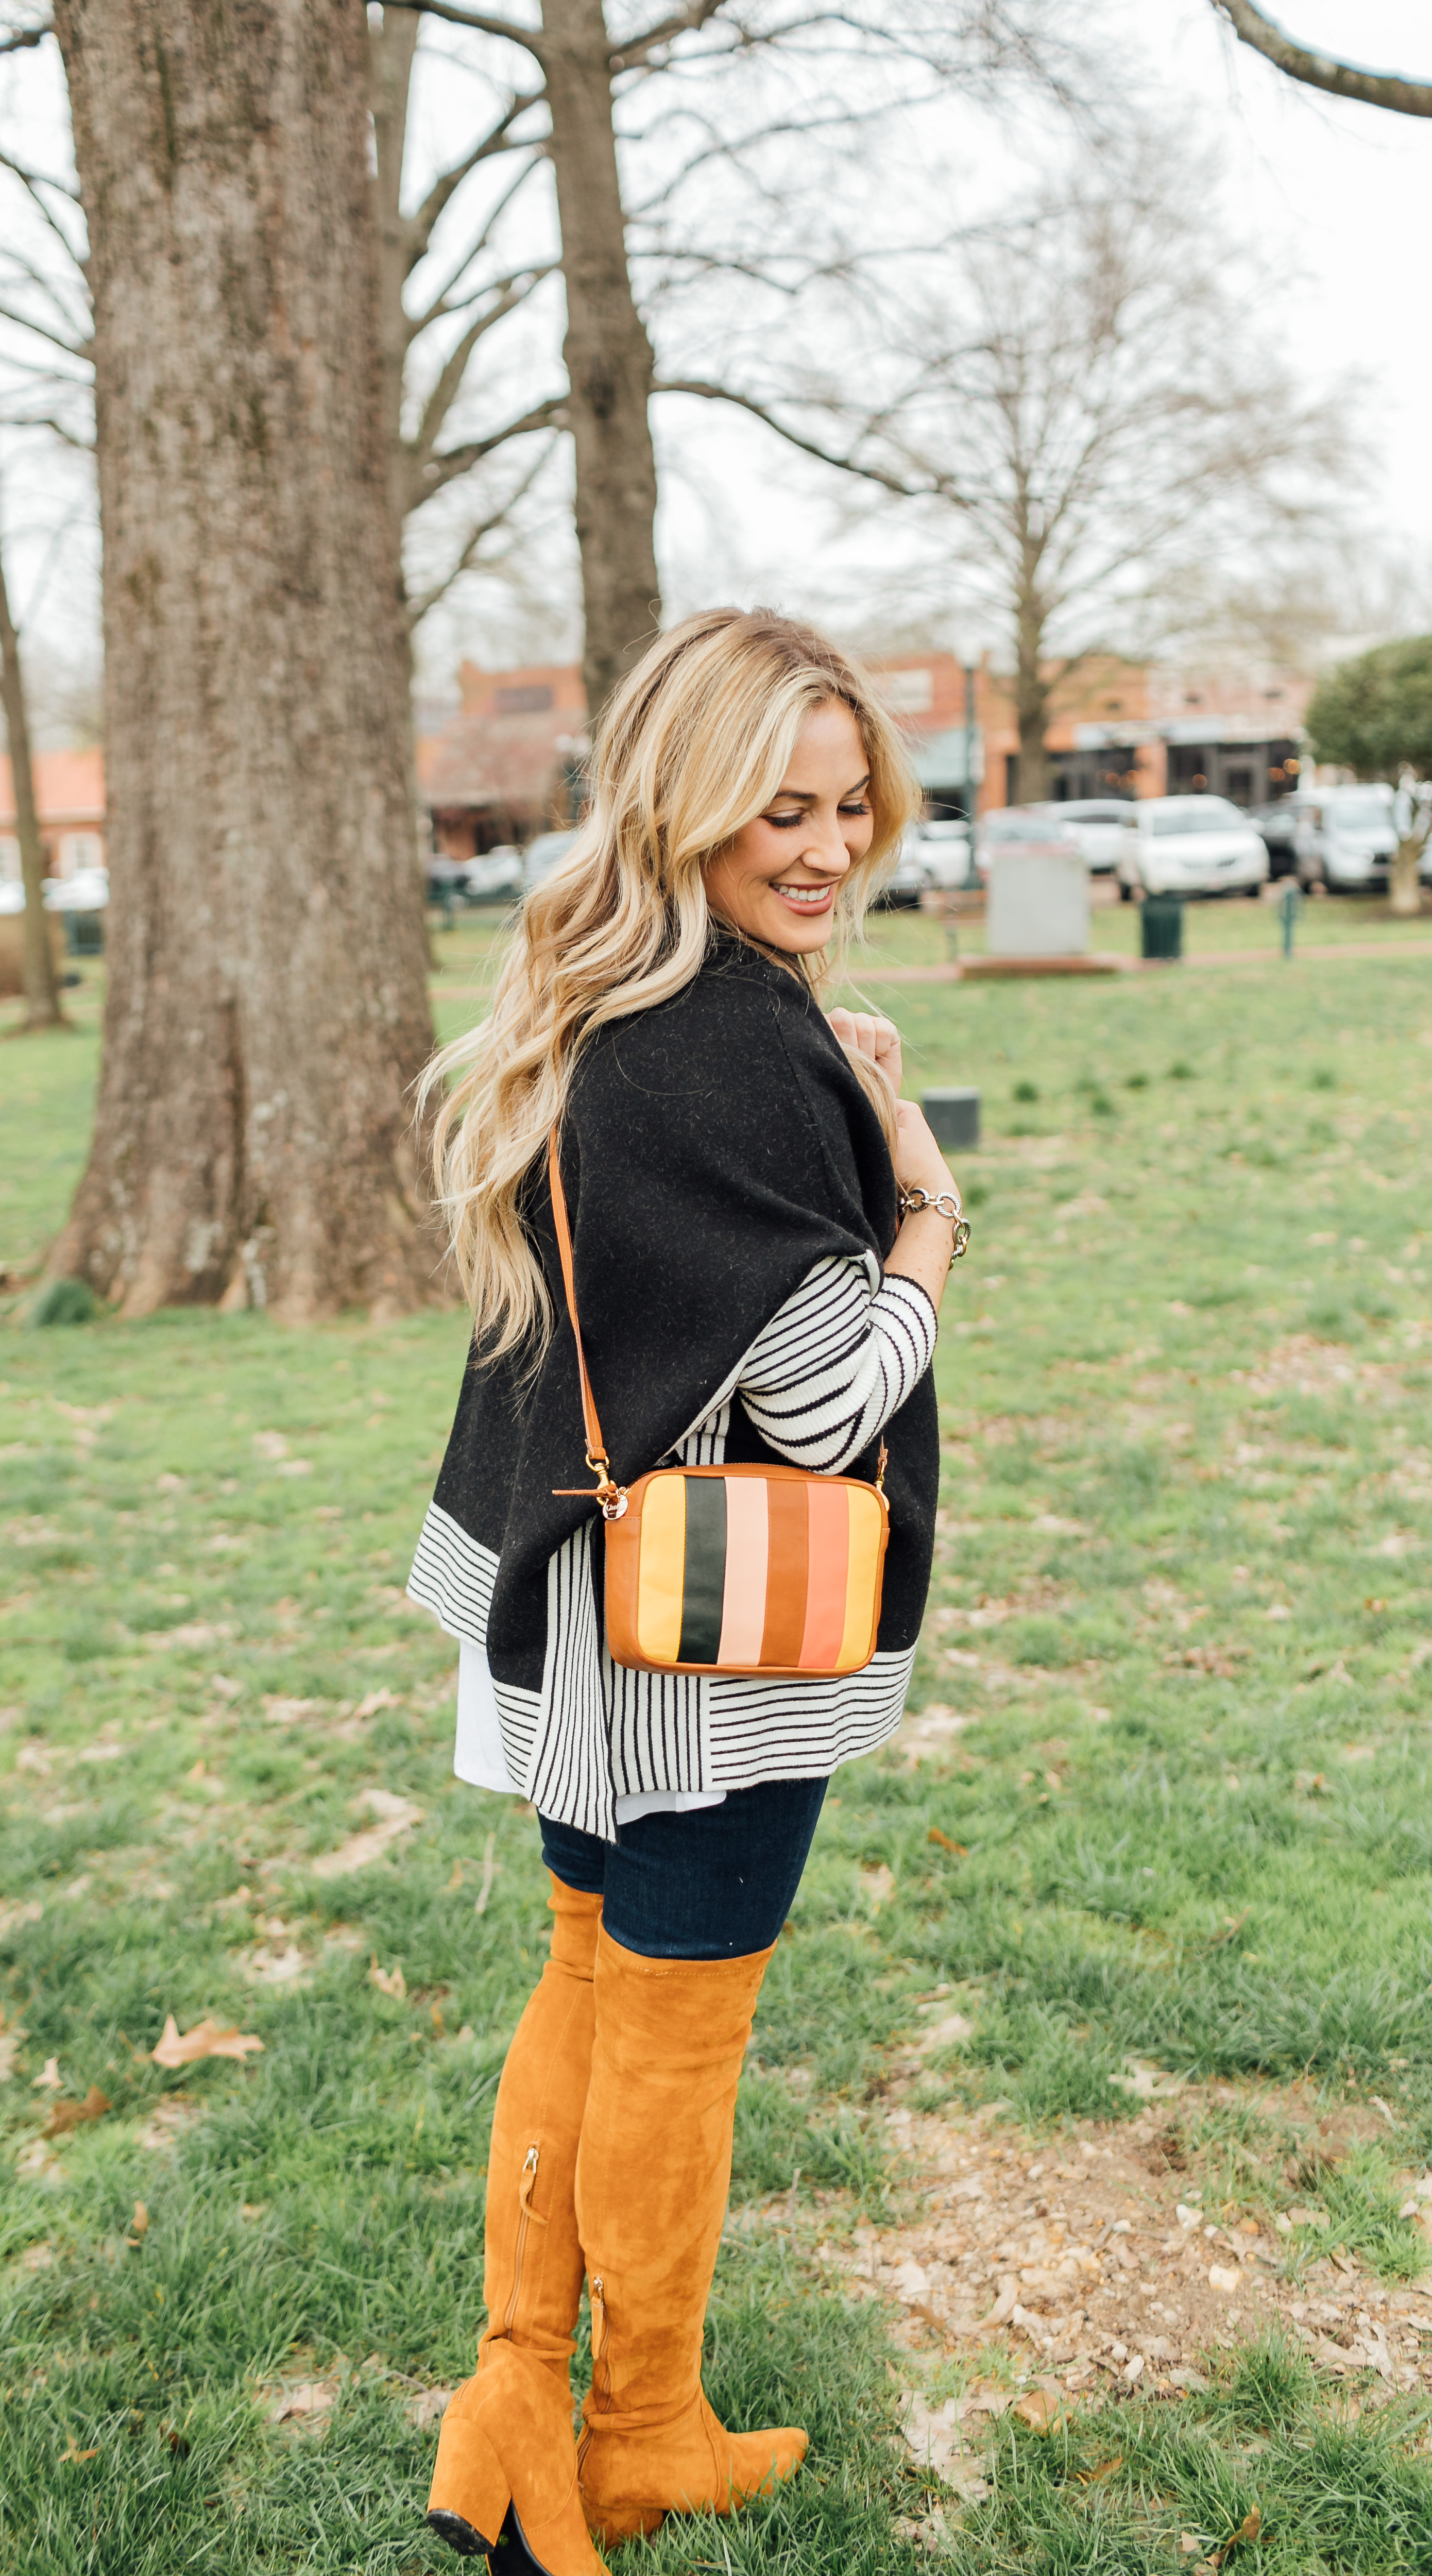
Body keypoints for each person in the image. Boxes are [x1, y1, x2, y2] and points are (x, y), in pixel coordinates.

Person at [408, 608, 964, 2572]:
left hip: (573, 1618)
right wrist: (927, 1210)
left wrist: (849, 1082)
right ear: (684, 804)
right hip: (708, 1645)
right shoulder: (735, 1041)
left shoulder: (600, 1010)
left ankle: (506, 2403)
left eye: (848, 807)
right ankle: (632, 2428)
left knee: (583, 1983)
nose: (822, 849)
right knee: (678, 2028)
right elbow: (819, 1401)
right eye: (775, 812)